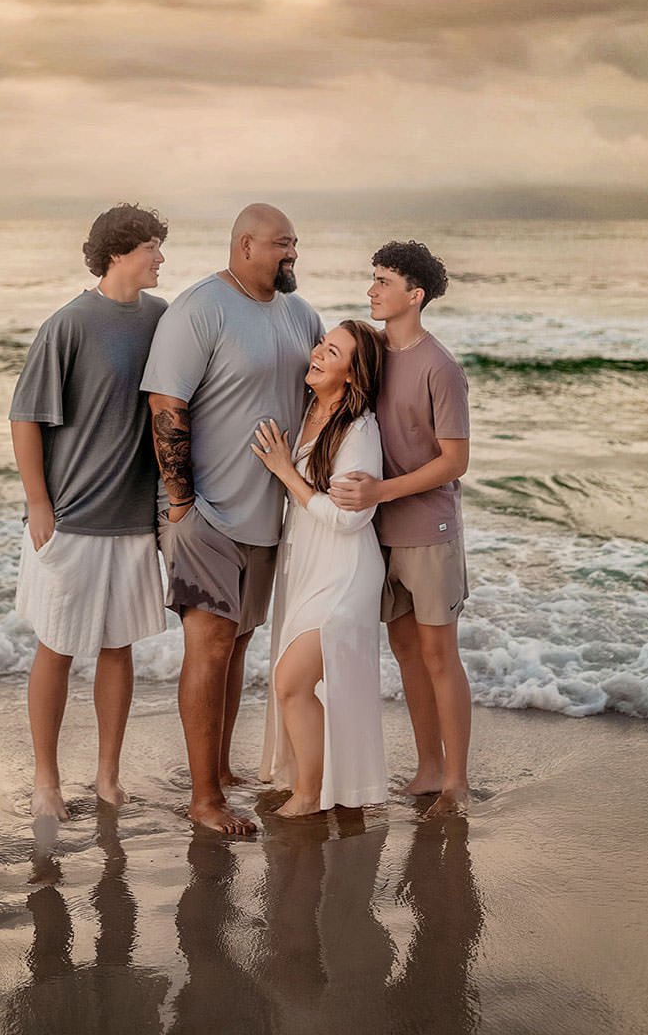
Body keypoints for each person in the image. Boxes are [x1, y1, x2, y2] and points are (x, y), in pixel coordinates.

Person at [141, 203, 322, 836]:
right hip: (207, 513)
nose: (291, 254)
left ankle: (217, 770)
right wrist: (183, 503)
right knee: (209, 645)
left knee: (239, 644)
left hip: (269, 518)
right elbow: (167, 403)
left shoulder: (303, 315)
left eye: (295, 243)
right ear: (245, 245)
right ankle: (203, 799)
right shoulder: (200, 308)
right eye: (281, 244)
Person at [10, 204, 169, 821]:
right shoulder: (69, 324)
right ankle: (45, 779)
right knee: (57, 646)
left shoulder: (163, 318)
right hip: (71, 517)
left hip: (133, 519)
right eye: (153, 246)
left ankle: (107, 775)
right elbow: (26, 415)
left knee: (118, 647)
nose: (161, 257)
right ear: (120, 252)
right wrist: (38, 502)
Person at [331, 241, 472, 818]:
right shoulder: (373, 356)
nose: (372, 290)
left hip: (430, 531)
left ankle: (456, 780)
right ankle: (427, 767)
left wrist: (380, 492)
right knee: (406, 653)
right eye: (373, 279)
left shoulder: (440, 367)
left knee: (439, 655)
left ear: (414, 296)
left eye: (383, 281)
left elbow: (454, 460)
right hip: (379, 533)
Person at [252, 319, 388, 817]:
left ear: (352, 375)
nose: (317, 354)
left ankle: (311, 796)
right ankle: (315, 784)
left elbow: (351, 518)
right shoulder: (308, 407)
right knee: (294, 683)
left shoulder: (359, 429)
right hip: (309, 566)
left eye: (332, 352)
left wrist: (286, 472)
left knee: (291, 681)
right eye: (321, 344)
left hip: (346, 573)